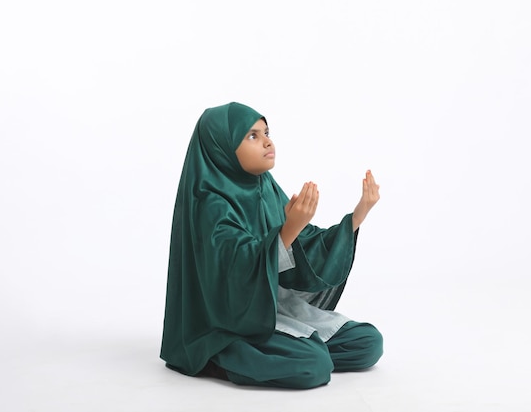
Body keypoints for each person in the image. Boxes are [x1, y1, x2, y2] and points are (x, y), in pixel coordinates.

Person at [160, 102, 383, 389]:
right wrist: (289, 228)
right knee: (313, 365)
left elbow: (302, 243)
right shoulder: (209, 201)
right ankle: (217, 359)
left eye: (266, 132)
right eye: (252, 136)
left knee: (368, 342)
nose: (267, 141)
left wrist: (356, 216)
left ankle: (292, 350)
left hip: (271, 309)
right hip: (225, 323)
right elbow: (233, 272)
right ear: (222, 147)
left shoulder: (263, 185)